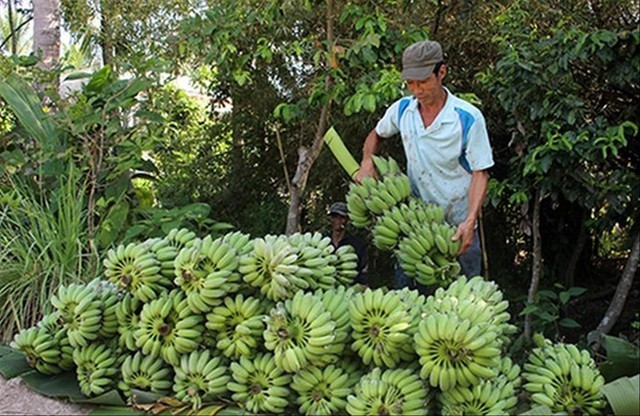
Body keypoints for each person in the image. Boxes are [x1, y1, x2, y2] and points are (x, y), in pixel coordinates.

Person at [355, 40, 494, 282]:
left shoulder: (467, 118)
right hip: (414, 222)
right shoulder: (402, 111)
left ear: (441, 72)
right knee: (407, 297)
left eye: (424, 81)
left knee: (465, 296)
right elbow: (376, 134)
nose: (417, 90)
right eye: (410, 83)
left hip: (457, 224)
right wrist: (367, 160)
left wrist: (470, 219)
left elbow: (480, 173)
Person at [328, 202, 369, 285]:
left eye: (342, 217)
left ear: (347, 220)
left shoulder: (356, 244)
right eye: (334, 217)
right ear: (330, 219)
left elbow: (363, 269)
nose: (338, 221)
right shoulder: (324, 242)